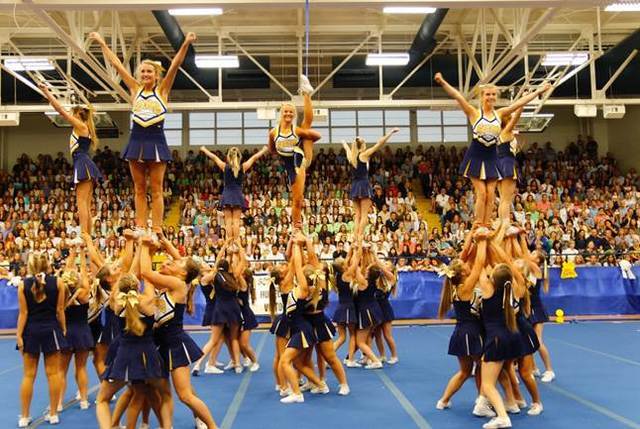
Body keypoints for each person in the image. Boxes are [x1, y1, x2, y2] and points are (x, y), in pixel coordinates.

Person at [89, 31, 197, 231]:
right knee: (139, 188)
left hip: (156, 140)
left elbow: (175, 65)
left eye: (149, 71)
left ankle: (156, 228)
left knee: (156, 189)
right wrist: (103, 43)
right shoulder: (134, 90)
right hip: (136, 140)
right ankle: (140, 226)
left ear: (156, 75)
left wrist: (186, 43)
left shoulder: (163, 90)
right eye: (143, 72)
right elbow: (117, 65)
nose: (145, 74)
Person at [434, 72, 550, 224]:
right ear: (482, 96)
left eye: (493, 94)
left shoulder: (500, 114)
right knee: (482, 193)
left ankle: (486, 224)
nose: (491, 97)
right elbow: (458, 96)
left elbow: (520, 103)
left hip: (492, 158)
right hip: (476, 156)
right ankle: (478, 223)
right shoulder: (474, 113)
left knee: (491, 194)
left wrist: (539, 91)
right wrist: (442, 82)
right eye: (488, 94)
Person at [140, 235, 216, 429]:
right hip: (161, 343)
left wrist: (144, 244)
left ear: (182, 274)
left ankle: (213, 426)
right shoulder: (174, 283)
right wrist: (165, 242)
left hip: (174, 344)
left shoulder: (179, 285)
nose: (173, 261)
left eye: (177, 263)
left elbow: (146, 272)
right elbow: (184, 266)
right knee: (169, 392)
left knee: (184, 395)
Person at [38, 83, 101, 234]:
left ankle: (85, 234)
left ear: (78, 115)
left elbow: (60, 110)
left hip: (82, 163)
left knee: (81, 203)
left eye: (73, 113)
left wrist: (47, 91)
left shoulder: (80, 126)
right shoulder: (84, 127)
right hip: (83, 163)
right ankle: (87, 235)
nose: (71, 115)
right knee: (85, 203)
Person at [16, 251, 68, 427]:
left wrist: (18, 336)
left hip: (30, 331)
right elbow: (60, 310)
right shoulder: (58, 282)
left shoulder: (23, 285)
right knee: (53, 374)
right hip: (51, 330)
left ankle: (24, 417)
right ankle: (53, 414)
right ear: (48, 265)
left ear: (30, 266)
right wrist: (63, 329)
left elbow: (23, 313)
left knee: (28, 375)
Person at [268, 76, 321, 228]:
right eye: (286, 112)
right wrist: (279, 150)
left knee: (298, 199)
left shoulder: (295, 130)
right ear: (281, 113)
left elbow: (317, 136)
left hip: (301, 160)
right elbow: (271, 149)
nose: (289, 114)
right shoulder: (273, 133)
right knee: (297, 199)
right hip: (289, 164)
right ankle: (295, 226)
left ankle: (307, 94)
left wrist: (308, 139)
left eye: (291, 112)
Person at [477, 263, 524, 429]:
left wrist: (481, 241)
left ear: (494, 279)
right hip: (510, 336)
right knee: (502, 370)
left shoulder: (489, 291)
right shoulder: (513, 289)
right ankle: (510, 402)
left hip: (497, 338)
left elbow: (479, 266)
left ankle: (503, 417)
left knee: (487, 384)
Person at [199, 146, 269, 240]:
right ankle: (235, 242)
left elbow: (214, 157)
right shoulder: (243, 167)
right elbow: (254, 157)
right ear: (239, 156)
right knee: (236, 221)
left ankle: (230, 242)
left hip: (227, 195)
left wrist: (204, 150)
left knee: (228, 221)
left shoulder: (224, 166)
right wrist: (264, 150)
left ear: (228, 156)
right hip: (237, 195)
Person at [342, 128, 399, 242]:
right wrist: (390, 133)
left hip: (354, 186)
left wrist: (344, 143)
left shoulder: (351, 156)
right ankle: (360, 237)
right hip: (363, 184)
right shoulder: (363, 155)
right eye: (364, 143)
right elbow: (379, 144)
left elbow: (346, 148)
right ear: (362, 145)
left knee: (357, 215)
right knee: (364, 215)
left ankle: (355, 236)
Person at [59, 245, 94, 411]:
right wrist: (81, 252)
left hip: (66, 332)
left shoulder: (62, 293)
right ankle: (84, 400)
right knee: (81, 368)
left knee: (61, 370)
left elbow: (68, 271)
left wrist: (72, 252)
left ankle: (57, 403)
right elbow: (84, 273)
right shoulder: (84, 292)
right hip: (82, 333)